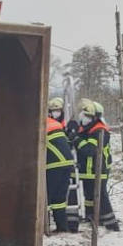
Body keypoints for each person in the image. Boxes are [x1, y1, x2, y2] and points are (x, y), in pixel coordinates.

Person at [73, 98, 120, 231]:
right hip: (88, 171)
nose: (84, 117)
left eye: (88, 115)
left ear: (95, 117)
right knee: (89, 196)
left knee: (101, 198)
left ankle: (112, 225)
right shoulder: (87, 129)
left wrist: (76, 139)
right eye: (84, 114)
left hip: (98, 170)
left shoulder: (100, 131)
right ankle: (92, 218)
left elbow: (89, 151)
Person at [48, 97, 82, 232]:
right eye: (54, 110)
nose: (56, 113)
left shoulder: (44, 124)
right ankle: (63, 227)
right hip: (67, 163)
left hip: (54, 165)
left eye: (58, 110)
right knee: (59, 199)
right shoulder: (57, 125)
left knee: (49, 197)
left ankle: (47, 227)